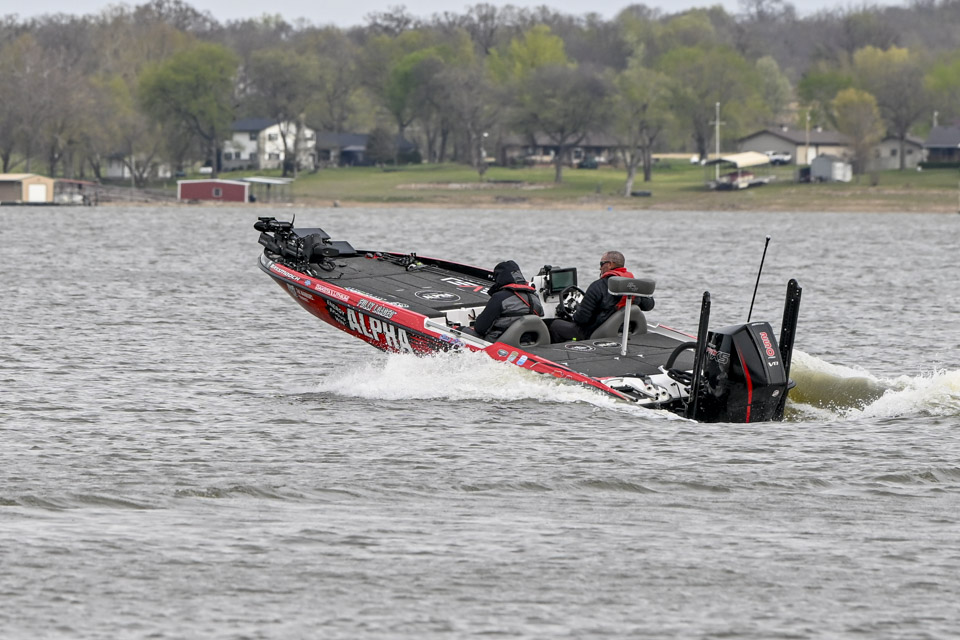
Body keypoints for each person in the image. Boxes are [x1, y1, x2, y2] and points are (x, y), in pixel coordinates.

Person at [548, 251, 653, 343]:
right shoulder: (633, 285)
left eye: (601, 264)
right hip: (625, 330)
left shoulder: (598, 287)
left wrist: (577, 309)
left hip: (594, 333)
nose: (600, 268)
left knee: (553, 324)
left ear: (610, 264)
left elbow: (581, 319)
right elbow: (649, 305)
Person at [462, 260, 544, 341]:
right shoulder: (534, 296)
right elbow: (541, 315)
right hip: (529, 341)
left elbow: (480, 328)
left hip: (500, 342)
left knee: (460, 330)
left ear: (500, 278)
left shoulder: (499, 297)